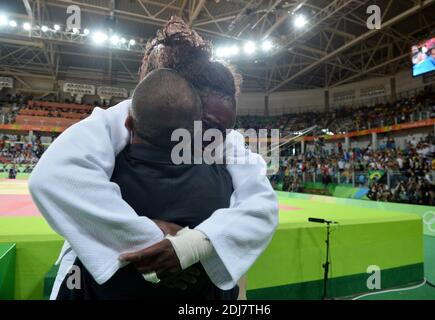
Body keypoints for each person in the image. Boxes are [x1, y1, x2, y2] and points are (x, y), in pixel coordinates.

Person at [29, 17, 278, 299]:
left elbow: (262, 203)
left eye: (225, 128)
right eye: (209, 124)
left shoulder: (223, 138)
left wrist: (192, 245)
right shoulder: (122, 117)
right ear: (181, 98)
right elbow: (52, 177)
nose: (218, 137)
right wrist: (154, 240)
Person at [56, 69, 238, 299]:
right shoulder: (226, 183)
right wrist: (183, 248)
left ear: (129, 123)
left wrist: (146, 235)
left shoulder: (97, 180)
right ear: (192, 131)